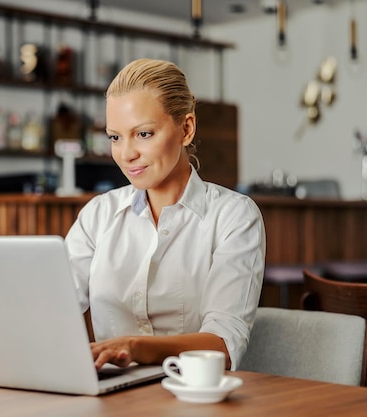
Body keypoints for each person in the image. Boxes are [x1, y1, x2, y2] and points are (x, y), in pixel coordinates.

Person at [64, 58, 265, 372]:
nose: (127, 154)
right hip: (112, 400)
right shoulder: (97, 216)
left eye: (143, 134)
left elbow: (224, 344)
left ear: (186, 129)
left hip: (194, 397)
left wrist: (135, 347)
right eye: (115, 137)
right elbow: (50, 311)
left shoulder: (234, 216)